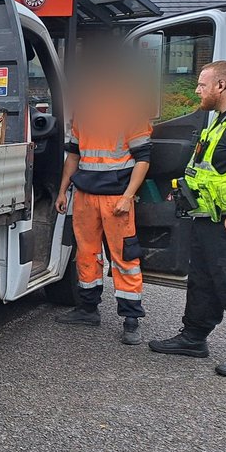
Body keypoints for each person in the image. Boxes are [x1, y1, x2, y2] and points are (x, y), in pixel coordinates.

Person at [149, 61, 226, 378]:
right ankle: (193, 337)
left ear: (221, 86)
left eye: (202, 84)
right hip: (208, 219)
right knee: (203, 281)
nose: (198, 90)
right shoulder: (222, 119)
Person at [54, 58, 153, 344]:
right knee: (86, 254)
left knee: (124, 258)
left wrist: (127, 196)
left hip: (116, 198)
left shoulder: (131, 111)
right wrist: (63, 191)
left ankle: (131, 319)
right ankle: (88, 309)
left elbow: (143, 159)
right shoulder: (83, 112)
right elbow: (74, 155)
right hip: (85, 195)